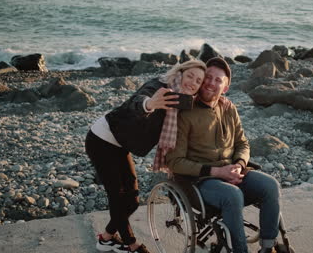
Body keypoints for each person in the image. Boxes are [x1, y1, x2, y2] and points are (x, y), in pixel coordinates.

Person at [85, 60, 207, 253]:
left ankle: (106, 237)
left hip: (120, 145)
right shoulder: (160, 86)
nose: (192, 82)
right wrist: (149, 104)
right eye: (190, 75)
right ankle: (131, 244)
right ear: (180, 73)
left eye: (198, 81)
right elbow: (137, 101)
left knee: (132, 200)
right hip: (102, 138)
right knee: (118, 197)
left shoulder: (183, 102)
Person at [166, 57, 283, 253]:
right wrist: (217, 172)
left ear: (225, 87)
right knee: (232, 195)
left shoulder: (228, 108)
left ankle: (268, 247)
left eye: (218, 80)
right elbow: (174, 161)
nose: (211, 83)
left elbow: (242, 143)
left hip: (233, 170)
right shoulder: (185, 113)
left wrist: (239, 164)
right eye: (208, 78)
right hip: (200, 180)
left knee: (271, 186)